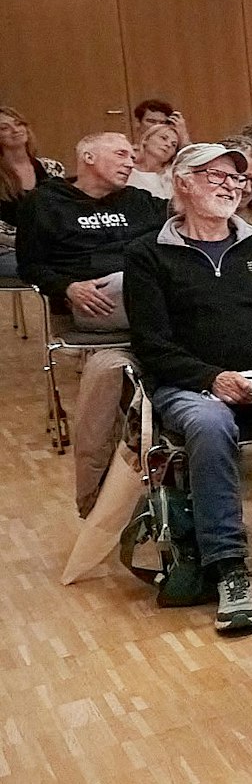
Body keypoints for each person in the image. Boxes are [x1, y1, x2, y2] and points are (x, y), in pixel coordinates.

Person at [124, 143, 252, 632]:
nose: (232, 185)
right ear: (182, 183)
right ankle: (228, 566)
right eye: (216, 176)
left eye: (236, 177)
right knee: (209, 423)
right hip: (192, 386)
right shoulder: (148, 254)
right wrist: (209, 378)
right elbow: (151, 344)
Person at [17, 132, 173, 514]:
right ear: (87, 156)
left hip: (141, 294)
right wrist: (67, 287)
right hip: (91, 305)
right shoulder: (46, 203)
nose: (130, 161)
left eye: (132, 155)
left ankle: (161, 428)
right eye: (120, 153)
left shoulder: (141, 202)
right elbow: (30, 266)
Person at [0, 107, 65, 278]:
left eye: (18, 123)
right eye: (4, 128)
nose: (15, 130)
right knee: (51, 269)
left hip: (50, 245)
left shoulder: (52, 168)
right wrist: (30, 244)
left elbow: (63, 212)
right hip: (7, 249)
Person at [127, 123, 180, 200]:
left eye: (174, 145)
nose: (168, 145)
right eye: (163, 138)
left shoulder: (173, 177)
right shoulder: (126, 170)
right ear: (145, 140)